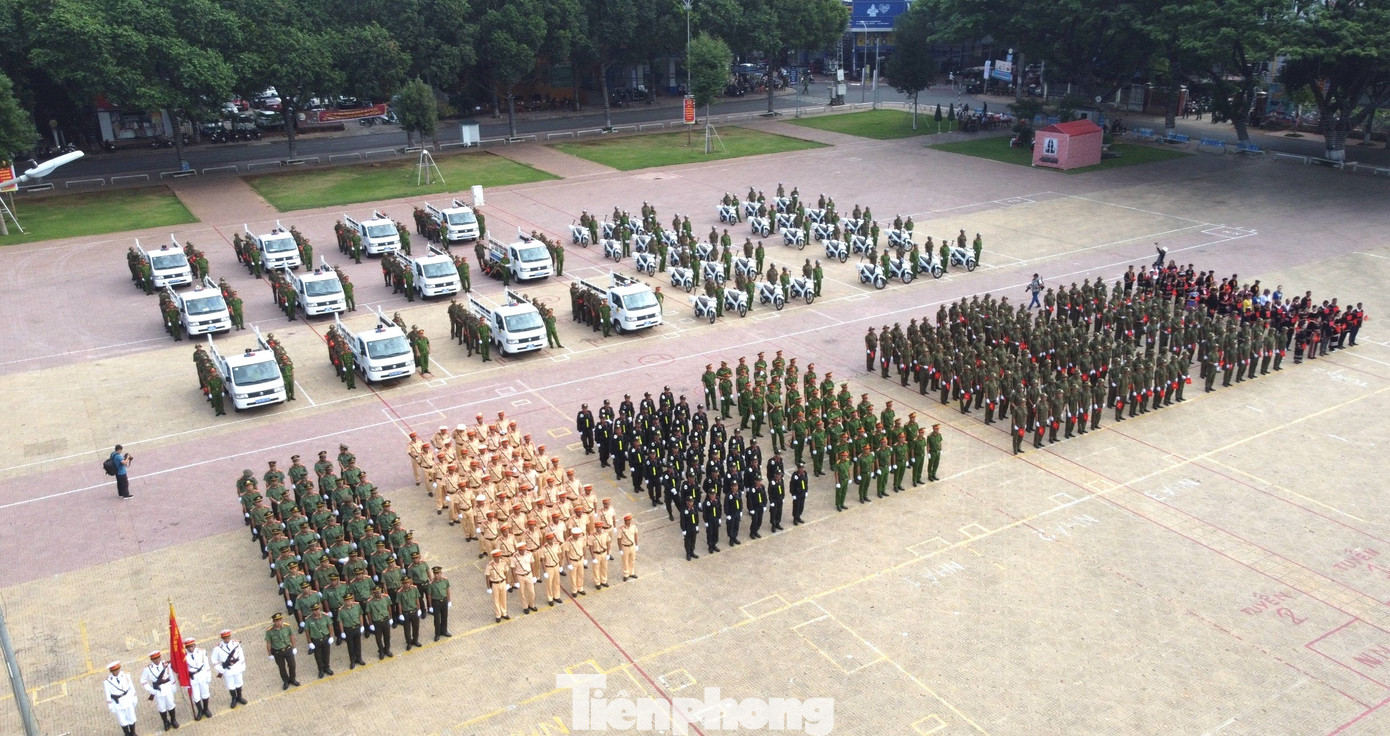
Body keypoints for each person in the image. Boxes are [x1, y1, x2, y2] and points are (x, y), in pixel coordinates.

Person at [140, 650, 179, 731]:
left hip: (167, 687)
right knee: (161, 707)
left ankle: (173, 720)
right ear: (151, 660)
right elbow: (143, 680)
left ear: (160, 657)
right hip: (158, 690)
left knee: (171, 704)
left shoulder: (166, 664)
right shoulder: (148, 669)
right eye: (154, 659)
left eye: (158, 658)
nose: (157, 660)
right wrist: (150, 690)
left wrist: (173, 685)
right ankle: (165, 722)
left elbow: (170, 675)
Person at [212, 630, 247, 709]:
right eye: (225, 638)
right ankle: (234, 699)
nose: (226, 639)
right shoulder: (218, 648)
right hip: (227, 669)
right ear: (222, 638)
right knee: (230, 685)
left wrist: (242, 665)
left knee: (239, 682)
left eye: (228, 638)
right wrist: (220, 669)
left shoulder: (236, 644)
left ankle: (239, 697)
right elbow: (214, 659)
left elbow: (241, 654)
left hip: (237, 666)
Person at [264, 612, 299, 691]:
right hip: (277, 652)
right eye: (276, 621)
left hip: (288, 649)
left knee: (292, 665)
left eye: (280, 620)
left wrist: (294, 647)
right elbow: (268, 643)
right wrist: (269, 654)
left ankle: (292, 679)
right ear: (274, 621)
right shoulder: (270, 631)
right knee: (281, 667)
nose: (278, 622)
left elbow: (291, 636)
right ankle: (285, 681)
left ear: (282, 620)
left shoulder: (287, 627)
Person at [105, 661, 139, 736]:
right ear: (111, 671)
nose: (117, 671)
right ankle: (126, 733)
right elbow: (108, 695)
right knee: (122, 719)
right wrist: (110, 706)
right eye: (114, 670)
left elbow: (131, 687)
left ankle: (133, 732)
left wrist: (134, 697)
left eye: (118, 669)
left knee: (131, 716)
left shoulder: (126, 675)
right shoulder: (107, 682)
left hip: (128, 699)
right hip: (118, 702)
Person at [184, 637, 214, 721]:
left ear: (195, 645)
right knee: (196, 696)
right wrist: (185, 683)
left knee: (205, 693)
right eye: (188, 647)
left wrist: (208, 675)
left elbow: (206, 664)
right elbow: (183, 670)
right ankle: (200, 711)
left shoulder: (201, 652)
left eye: (192, 646)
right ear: (186, 647)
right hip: (192, 678)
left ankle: (206, 709)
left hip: (202, 675)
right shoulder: (183, 656)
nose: (191, 648)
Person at [426, 566, 452, 640]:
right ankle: (437, 633)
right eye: (435, 574)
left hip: (444, 601)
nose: (436, 575)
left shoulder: (445, 580)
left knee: (444, 617)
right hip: (436, 602)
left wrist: (449, 601)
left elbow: (448, 590)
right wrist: (430, 606)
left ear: (441, 573)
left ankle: (444, 631)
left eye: (438, 573)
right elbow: (429, 595)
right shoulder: (431, 583)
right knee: (437, 619)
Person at [618, 513, 639, 580]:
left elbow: (636, 535)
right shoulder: (621, 529)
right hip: (625, 547)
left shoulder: (633, 526)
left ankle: (632, 572)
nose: (629, 521)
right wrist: (620, 549)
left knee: (632, 560)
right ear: (625, 521)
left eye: (629, 520)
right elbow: (619, 539)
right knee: (625, 561)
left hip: (632, 546)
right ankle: (626, 574)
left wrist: (637, 545)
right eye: (627, 520)